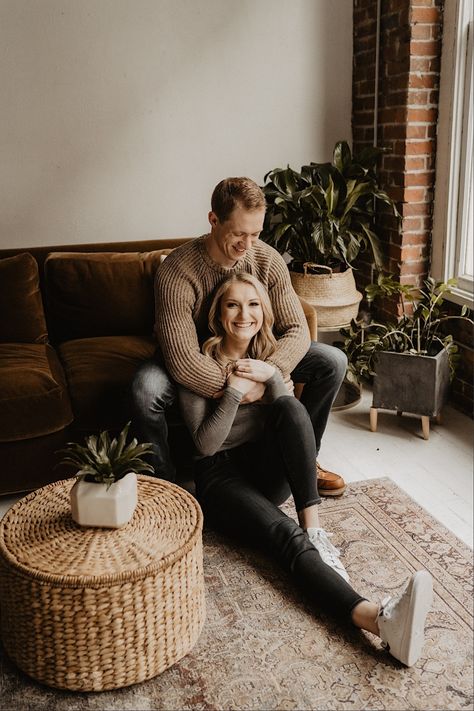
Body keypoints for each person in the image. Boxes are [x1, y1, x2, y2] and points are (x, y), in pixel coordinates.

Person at [178, 271, 433, 668]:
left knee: (289, 406)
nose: (243, 314)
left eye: (253, 304)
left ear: (264, 312)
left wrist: (271, 378)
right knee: (283, 534)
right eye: (232, 304)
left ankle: (314, 526)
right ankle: (378, 622)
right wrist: (232, 391)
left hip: (263, 469)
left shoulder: (270, 357)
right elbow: (204, 444)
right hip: (218, 474)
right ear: (218, 314)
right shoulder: (199, 364)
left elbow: (289, 418)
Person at [132, 177, 347, 495]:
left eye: (256, 234)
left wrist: (269, 374)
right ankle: (163, 488)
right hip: (195, 356)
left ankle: (303, 458)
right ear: (214, 220)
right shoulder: (177, 271)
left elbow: (297, 329)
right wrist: (246, 387)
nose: (248, 245)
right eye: (238, 234)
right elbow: (184, 361)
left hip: (255, 356)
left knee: (333, 361)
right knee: (144, 391)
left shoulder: (267, 260)